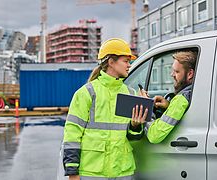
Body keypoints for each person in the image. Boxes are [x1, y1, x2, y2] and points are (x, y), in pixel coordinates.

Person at [62, 38, 147, 180]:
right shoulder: (87, 93)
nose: (129, 65)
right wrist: (72, 172)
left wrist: (135, 125)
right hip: (92, 173)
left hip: (123, 172)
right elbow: (72, 135)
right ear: (111, 62)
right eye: (125, 61)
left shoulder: (131, 94)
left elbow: (134, 138)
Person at [143, 51, 197, 144]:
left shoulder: (181, 99)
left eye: (176, 71)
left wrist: (146, 109)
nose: (172, 74)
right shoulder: (194, 91)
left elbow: (154, 136)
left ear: (190, 74)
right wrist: (169, 106)